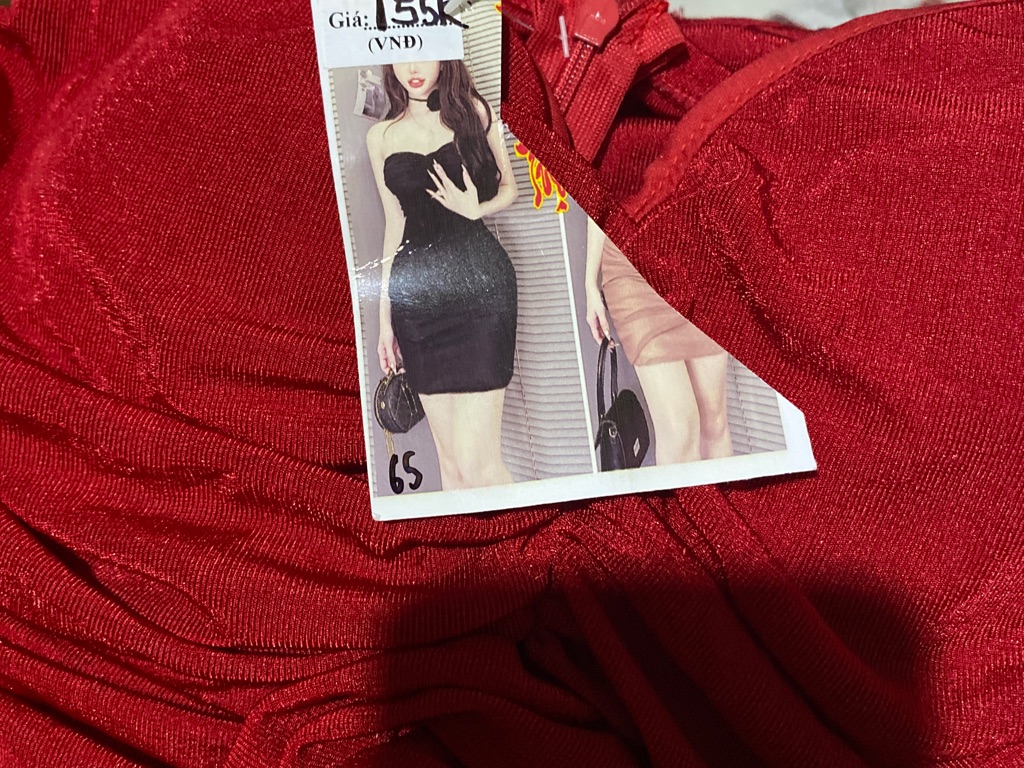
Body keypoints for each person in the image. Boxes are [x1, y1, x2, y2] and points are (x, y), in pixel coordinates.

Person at [366, 60, 518, 490]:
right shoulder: (381, 137)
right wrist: (384, 321)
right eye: (402, 55)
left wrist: (476, 208)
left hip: (480, 292)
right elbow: (394, 226)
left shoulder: (474, 111)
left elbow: (510, 188)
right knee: (450, 466)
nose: (412, 68)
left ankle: (523, 534)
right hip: (419, 308)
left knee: (480, 466)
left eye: (424, 54)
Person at [585, 219, 733, 465]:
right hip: (632, 272)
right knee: (679, 433)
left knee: (714, 422)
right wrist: (590, 283)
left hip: (697, 255)